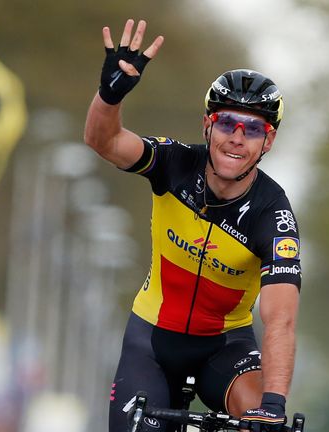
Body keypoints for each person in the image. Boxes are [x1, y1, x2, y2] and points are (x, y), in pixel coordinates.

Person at [84, 19, 302, 432]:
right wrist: (110, 95)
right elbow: (104, 141)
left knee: (259, 419)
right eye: (227, 123)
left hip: (224, 348)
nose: (238, 138)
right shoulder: (175, 163)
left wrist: (273, 404)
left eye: (254, 128)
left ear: (268, 142)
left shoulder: (272, 213)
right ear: (207, 124)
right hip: (151, 341)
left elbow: (281, 319)